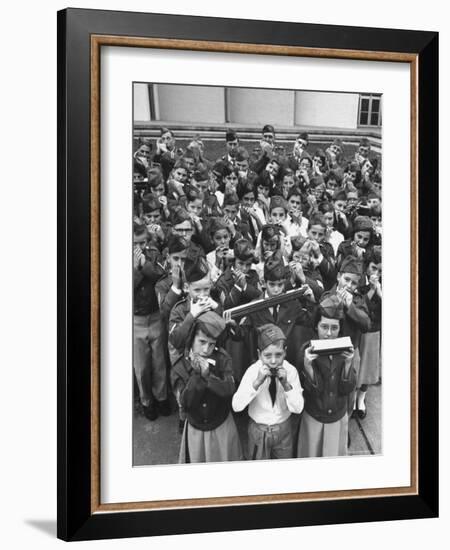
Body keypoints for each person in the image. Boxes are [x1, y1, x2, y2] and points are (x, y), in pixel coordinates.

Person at [171, 311, 243, 463]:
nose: (205, 350)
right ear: (191, 339)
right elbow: (185, 403)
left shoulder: (223, 359)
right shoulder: (180, 365)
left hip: (221, 424)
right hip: (196, 429)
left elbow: (230, 389)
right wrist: (197, 377)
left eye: (211, 344)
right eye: (202, 342)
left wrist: (208, 376)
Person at [232, 323, 304, 460]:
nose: (273, 361)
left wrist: (286, 385)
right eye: (267, 355)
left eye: (278, 355)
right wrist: (256, 383)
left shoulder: (291, 371)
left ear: (285, 351)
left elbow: (298, 408)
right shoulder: (253, 371)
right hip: (258, 431)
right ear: (259, 354)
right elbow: (236, 406)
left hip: (283, 430)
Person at [297, 295, 356, 457]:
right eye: (324, 327)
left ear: (340, 328)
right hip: (315, 417)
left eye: (334, 328)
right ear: (316, 326)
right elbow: (311, 392)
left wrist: (349, 365)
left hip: (337, 416)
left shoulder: (346, 350)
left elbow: (347, 389)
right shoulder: (306, 351)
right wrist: (308, 367)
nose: (329, 333)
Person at [133, 224, 170, 421]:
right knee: (141, 367)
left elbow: (160, 274)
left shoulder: (153, 254)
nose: (140, 247)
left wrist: (143, 264)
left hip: (155, 316)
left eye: (143, 242)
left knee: (159, 362)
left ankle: (162, 397)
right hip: (135, 320)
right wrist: (136, 269)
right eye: (135, 243)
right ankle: (146, 401)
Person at [356, 246, 382, 418]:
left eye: (381, 270)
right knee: (356, 367)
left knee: (369, 369)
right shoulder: (358, 281)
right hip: (358, 331)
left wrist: (379, 291)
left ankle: (361, 400)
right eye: (374, 268)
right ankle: (352, 400)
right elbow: (359, 306)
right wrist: (372, 290)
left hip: (374, 331)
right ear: (367, 265)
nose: (377, 273)